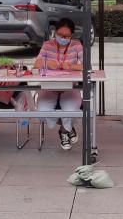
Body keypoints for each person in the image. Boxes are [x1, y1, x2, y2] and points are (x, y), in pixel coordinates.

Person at [33, 18, 83, 150]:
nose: (63, 38)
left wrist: (72, 66)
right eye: (60, 35)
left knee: (71, 111)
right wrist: (47, 63)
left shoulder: (76, 45)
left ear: (71, 35)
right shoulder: (47, 45)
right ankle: (68, 126)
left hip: (70, 87)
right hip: (49, 87)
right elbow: (36, 64)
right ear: (55, 32)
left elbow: (87, 66)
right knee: (42, 112)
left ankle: (64, 131)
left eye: (66, 36)